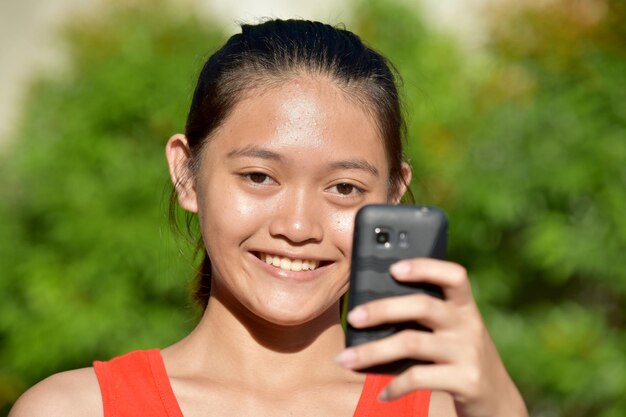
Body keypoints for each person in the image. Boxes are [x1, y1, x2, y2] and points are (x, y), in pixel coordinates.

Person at [9, 19, 528, 417]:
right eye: (259, 177)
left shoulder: (442, 410)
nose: (298, 228)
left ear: (393, 197)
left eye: (344, 188)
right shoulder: (76, 409)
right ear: (186, 173)